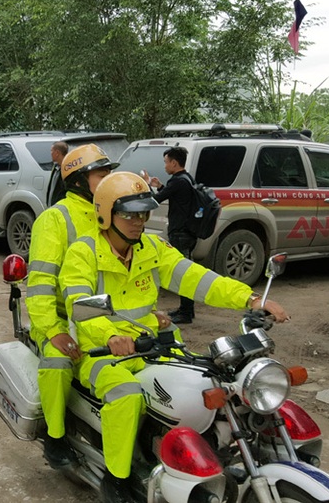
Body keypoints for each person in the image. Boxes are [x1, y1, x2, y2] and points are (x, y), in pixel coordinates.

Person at [59, 172, 289, 503]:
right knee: (126, 397)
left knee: (206, 386)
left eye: (143, 213)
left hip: (152, 346)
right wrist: (110, 335)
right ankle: (118, 478)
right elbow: (78, 302)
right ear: (106, 213)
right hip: (100, 353)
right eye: (129, 214)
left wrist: (250, 299)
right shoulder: (84, 252)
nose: (139, 221)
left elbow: (197, 278)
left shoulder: (151, 248)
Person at [25, 143, 118, 468]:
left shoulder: (109, 213)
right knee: (58, 364)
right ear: (79, 179)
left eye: (109, 173)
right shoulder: (55, 219)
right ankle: (55, 436)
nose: (108, 180)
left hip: (102, 313)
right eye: (101, 174)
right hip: (61, 317)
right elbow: (40, 283)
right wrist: (53, 331)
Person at [142, 147, 198, 324]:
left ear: (174, 162)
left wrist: (147, 184)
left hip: (181, 233)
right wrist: (160, 186)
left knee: (183, 273)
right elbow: (175, 196)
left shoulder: (178, 181)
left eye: (166, 162)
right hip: (187, 231)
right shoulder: (185, 178)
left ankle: (186, 313)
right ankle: (185, 309)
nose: (165, 166)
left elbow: (153, 201)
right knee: (184, 271)